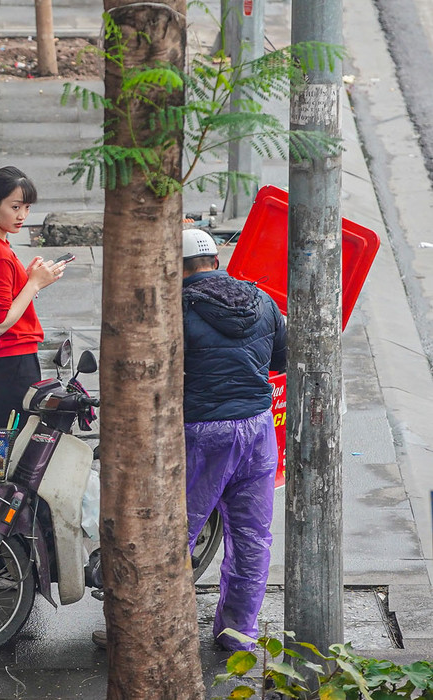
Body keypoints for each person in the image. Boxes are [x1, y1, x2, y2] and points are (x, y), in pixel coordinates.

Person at [179, 227, 286, 651]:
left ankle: (150, 631)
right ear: (216, 262)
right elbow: (280, 357)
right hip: (258, 430)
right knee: (252, 537)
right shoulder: (263, 300)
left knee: (175, 535)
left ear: (177, 267)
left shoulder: (177, 305)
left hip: (203, 432)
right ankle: (239, 632)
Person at [0, 164, 66, 428]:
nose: (22, 215)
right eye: (15, 207)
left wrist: (28, 279)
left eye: (27, 207)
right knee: (15, 452)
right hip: (8, 365)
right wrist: (32, 285)